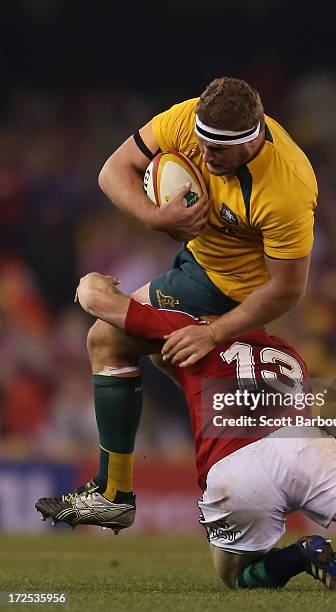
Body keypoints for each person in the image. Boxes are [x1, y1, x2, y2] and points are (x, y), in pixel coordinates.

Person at [37, 273, 336, 592]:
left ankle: (301, 555)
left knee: (235, 577)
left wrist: (94, 282)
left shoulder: (189, 331)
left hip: (236, 472)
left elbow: (98, 303)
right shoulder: (288, 354)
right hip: (308, 449)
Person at [43, 77, 318, 520]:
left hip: (239, 294)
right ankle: (121, 494)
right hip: (195, 269)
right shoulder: (188, 120)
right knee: (147, 356)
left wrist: (215, 334)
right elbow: (113, 170)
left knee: (108, 338)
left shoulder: (287, 187)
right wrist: (155, 217)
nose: (204, 156)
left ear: (251, 141)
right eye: (202, 142)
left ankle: (116, 496)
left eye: (217, 151)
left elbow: (288, 287)